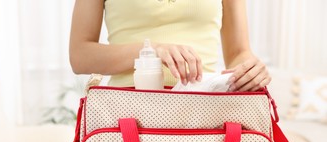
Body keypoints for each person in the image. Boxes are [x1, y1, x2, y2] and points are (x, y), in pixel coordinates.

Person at [69, 0, 271, 92]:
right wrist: (150, 51)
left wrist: (250, 70)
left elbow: (238, 52)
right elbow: (80, 55)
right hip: (128, 113)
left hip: (203, 110)